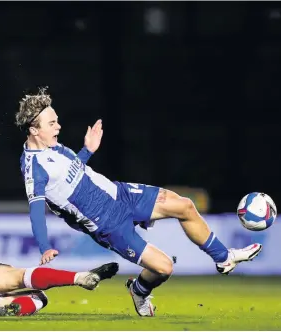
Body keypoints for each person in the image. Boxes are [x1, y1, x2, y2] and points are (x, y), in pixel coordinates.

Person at [14, 87, 262, 317]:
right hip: (108, 225)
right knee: (164, 268)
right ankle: (139, 290)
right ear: (34, 130)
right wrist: (44, 246)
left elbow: (70, 174)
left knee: (184, 205)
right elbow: (36, 211)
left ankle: (223, 257)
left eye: (56, 119)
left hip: (119, 194)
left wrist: (87, 150)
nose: (59, 125)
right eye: (52, 123)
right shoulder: (34, 169)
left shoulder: (53, 146)